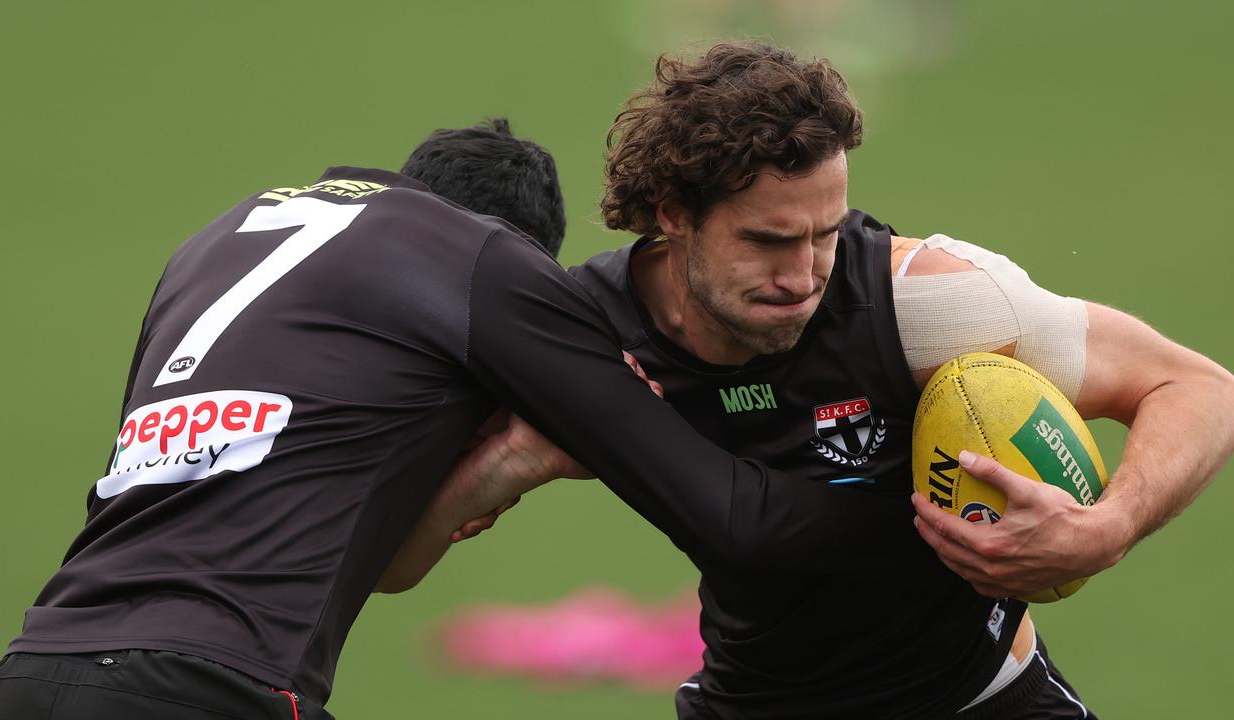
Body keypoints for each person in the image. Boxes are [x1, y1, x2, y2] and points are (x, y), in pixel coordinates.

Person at [386, 44, 1234, 718]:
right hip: (753, 700)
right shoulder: (580, 335)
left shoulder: (929, 303)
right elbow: (394, 564)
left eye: (824, 233)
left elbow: (1196, 387)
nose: (806, 272)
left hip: (981, 700)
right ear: (673, 212)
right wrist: (512, 464)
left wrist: (1111, 525)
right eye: (767, 240)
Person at [0, 119, 867, 719]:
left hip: (26, 673)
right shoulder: (483, 259)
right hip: (206, 688)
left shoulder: (221, 241)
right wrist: (935, 523)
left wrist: (506, 465)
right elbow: (729, 516)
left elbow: (347, 529)